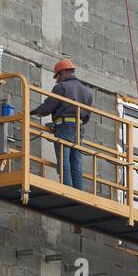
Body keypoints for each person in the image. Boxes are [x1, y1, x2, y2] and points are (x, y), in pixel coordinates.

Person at [32, 59, 93, 190]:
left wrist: (36, 112)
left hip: (64, 128)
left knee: (64, 161)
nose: (57, 81)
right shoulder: (87, 92)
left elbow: (47, 108)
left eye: (58, 77)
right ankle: (78, 193)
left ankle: (68, 191)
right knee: (76, 162)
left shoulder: (62, 87)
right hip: (79, 128)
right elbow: (87, 116)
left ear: (63, 72)